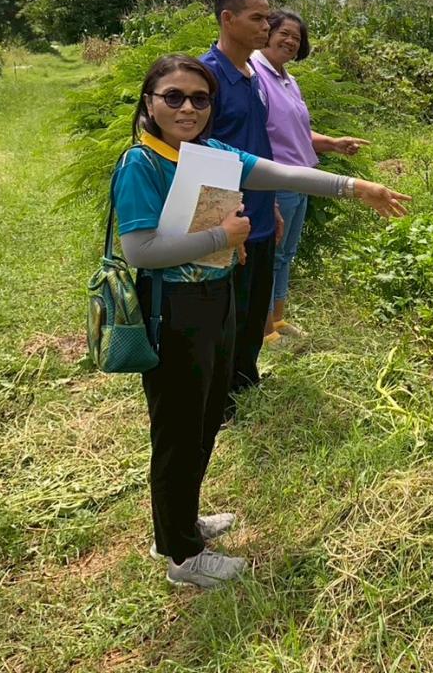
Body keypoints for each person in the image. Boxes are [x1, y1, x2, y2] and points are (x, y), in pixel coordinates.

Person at [114, 53, 409, 588]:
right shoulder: (143, 163)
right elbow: (139, 250)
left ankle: (182, 522)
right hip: (173, 310)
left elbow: (279, 171)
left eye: (200, 99)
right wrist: (220, 239)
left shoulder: (213, 153)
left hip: (216, 298)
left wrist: (356, 188)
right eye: (173, 97)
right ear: (149, 102)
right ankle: (183, 556)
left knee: (205, 416)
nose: (187, 108)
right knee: (179, 430)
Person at [252, 9, 370, 340]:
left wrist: (332, 143)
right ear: (267, 32)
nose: (290, 41)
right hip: (274, 180)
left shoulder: (287, 79)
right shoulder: (255, 76)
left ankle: (277, 320)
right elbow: (256, 136)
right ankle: (262, 332)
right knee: (268, 256)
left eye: (297, 37)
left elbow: (295, 133)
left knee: (285, 254)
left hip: (299, 177)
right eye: (284, 33)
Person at [199, 0, 279, 403]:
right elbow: (198, 155)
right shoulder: (205, 77)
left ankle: (246, 381)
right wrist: (223, 221)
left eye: (268, 17)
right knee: (226, 313)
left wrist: (274, 208)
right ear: (227, 19)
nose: (266, 26)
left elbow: (258, 142)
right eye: (257, 18)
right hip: (229, 220)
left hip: (262, 213)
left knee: (252, 309)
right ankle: (221, 397)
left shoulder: (253, 74)